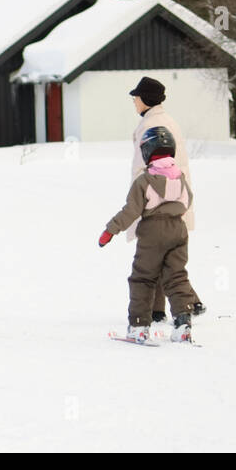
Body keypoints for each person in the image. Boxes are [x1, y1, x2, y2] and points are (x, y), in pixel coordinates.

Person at [99, 126, 200, 342]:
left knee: (143, 278)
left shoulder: (144, 181)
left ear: (146, 152)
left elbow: (131, 211)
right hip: (178, 230)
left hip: (153, 233)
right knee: (176, 276)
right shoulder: (179, 178)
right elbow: (187, 201)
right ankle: (183, 323)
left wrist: (110, 230)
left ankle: (139, 326)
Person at [128, 77, 205, 321]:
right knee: (167, 260)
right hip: (173, 198)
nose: (134, 101)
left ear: (146, 99)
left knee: (153, 261)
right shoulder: (164, 120)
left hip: (157, 201)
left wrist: (139, 202)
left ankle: (167, 308)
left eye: (137, 97)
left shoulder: (153, 126)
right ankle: (169, 307)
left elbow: (145, 168)